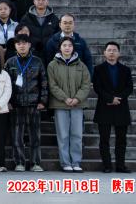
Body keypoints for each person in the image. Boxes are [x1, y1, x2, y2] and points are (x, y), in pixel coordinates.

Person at [4, 34, 47, 172]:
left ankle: (35, 163)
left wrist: (43, 101)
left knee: (35, 136)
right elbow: (6, 84)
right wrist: (8, 101)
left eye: (24, 43)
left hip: (34, 103)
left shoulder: (37, 62)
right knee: (17, 136)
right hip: (16, 104)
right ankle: (19, 163)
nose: (22, 46)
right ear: (15, 46)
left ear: (29, 45)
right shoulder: (10, 62)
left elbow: (44, 83)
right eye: (19, 44)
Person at [48, 36, 91, 172]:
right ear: (60, 48)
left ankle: (76, 162)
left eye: (70, 45)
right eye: (64, 45)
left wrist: (77, 99)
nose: (67, 48)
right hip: (60, 104)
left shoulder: (81, 65)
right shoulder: (52, 65)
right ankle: (65, 162)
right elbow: (52, 85)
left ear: (73, 48)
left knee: (77, 134)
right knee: (63, 135)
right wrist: (65, 98)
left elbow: (86, 85)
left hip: (77, 105)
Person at [92, 41, 133, 174]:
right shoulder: (98, 69)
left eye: (114, 50)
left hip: (121, 107)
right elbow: (97, 87)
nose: (111, 52)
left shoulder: (126, 70)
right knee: (104, 139)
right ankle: (107, 165)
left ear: (118, 53)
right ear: (104, 53)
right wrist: (110, 99)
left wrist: (118, 99)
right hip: (104, 107)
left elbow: (129, 88)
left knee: (121, 139)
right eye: (109, 50)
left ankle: (120, 165)